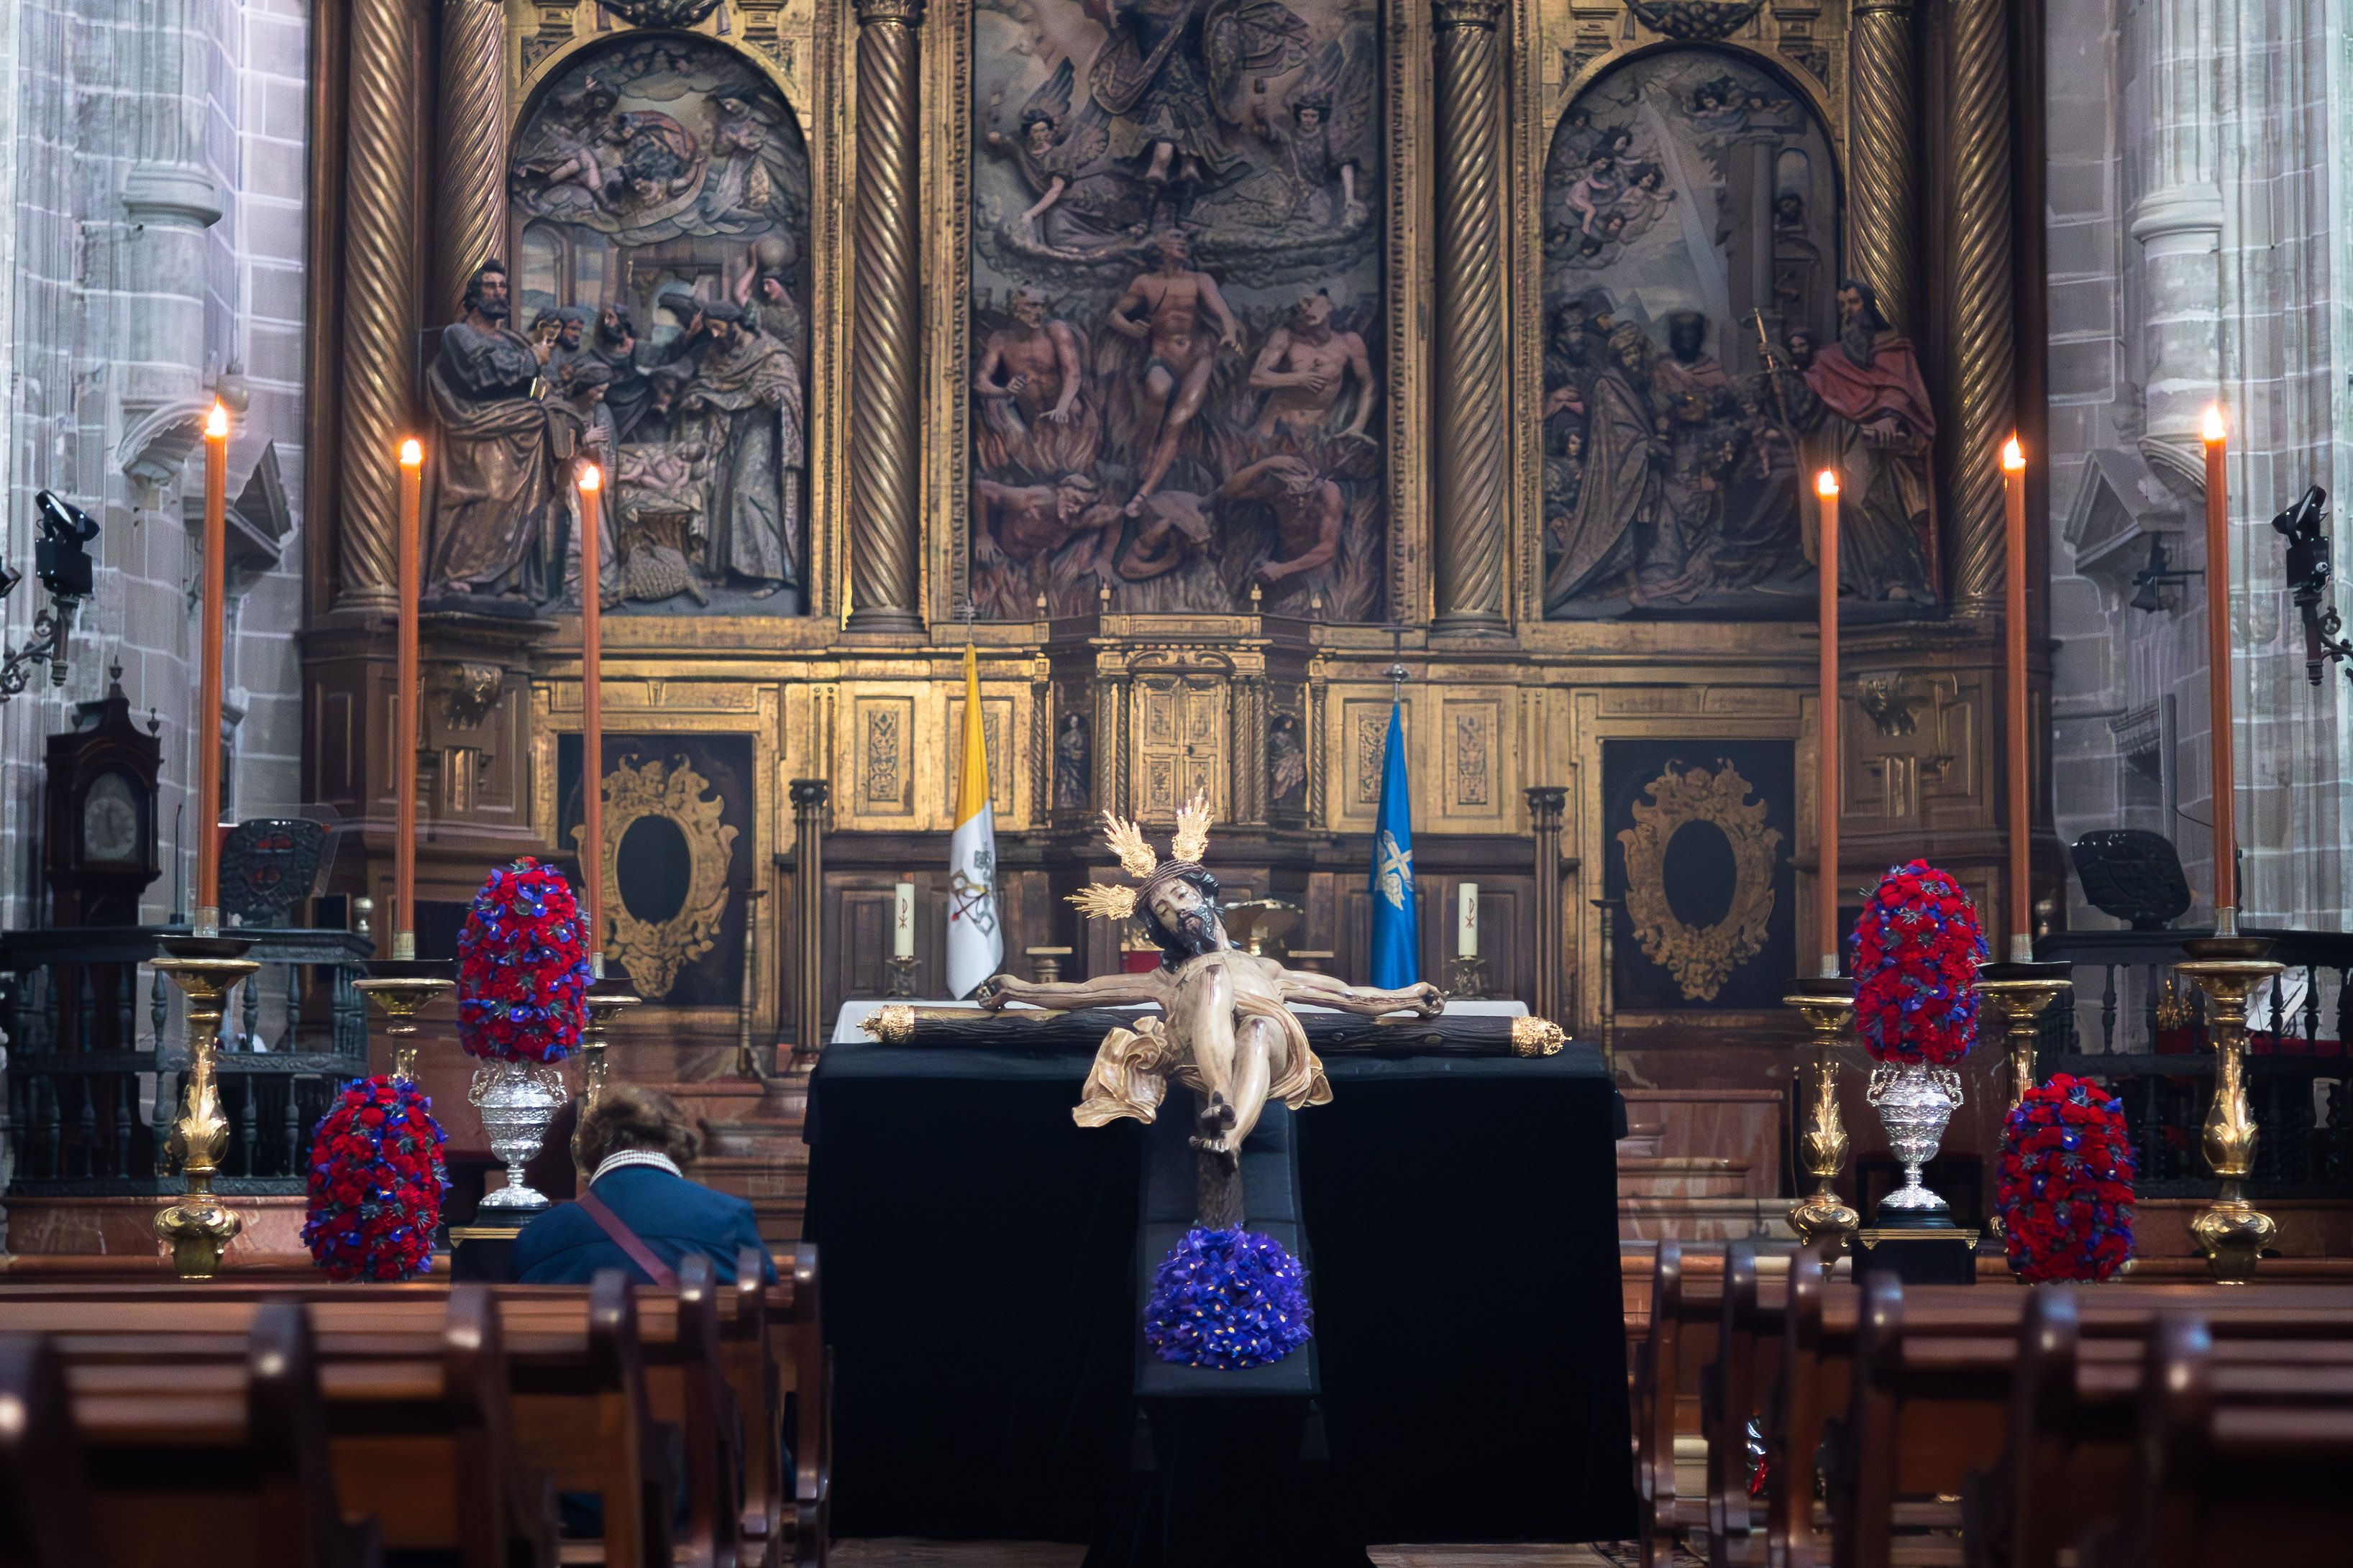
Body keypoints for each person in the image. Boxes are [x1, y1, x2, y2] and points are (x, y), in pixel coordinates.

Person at [513, 1085, 777, 1285]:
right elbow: (768, 1307)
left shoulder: (540, 1236)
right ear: (679, 1144)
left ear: (590, 1150)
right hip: (697, 1358)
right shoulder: (728, 1218)